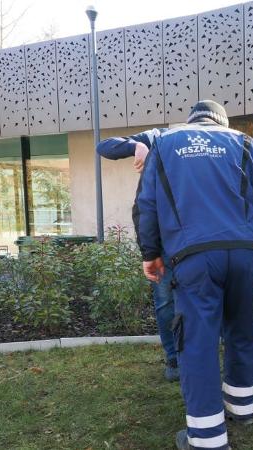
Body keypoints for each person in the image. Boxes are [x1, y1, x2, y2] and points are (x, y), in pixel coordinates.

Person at [136, 100, 253, 450]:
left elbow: (148, 204)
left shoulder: (166, 145)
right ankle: (242, 409)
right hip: (244, 253)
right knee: (242, 328)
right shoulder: (244, 143)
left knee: (198, 343)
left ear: (192, 121)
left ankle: (206, 439)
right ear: (221, 122)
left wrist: (151, 254)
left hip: (194, 257)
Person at [98, 127, 179, 382]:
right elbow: (104, 146)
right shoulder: (158, 138)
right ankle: (174, 359)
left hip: (193, 238)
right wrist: (135, 146)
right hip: (160, 240)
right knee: (165, 301)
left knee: (198, 299)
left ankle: (198, 357)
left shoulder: (205, 146)